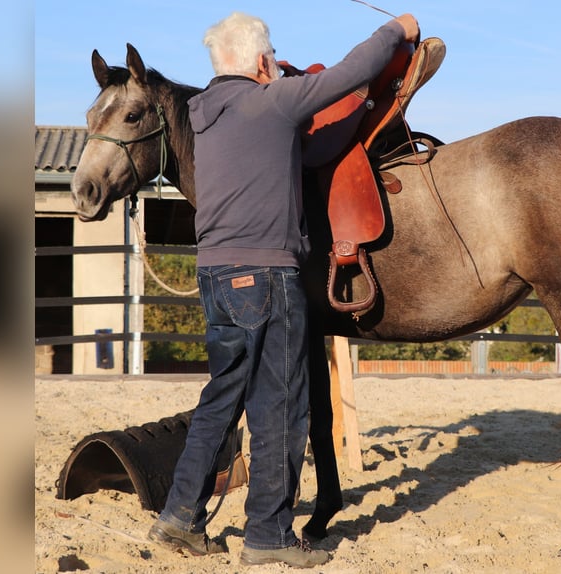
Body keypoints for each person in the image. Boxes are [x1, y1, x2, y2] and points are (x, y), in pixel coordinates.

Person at [147, 10, 420, 569]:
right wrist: (396, 30)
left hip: (215, 276)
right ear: (259, 61)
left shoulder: (199, 112)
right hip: (268, 276)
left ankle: (179, 516)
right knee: (282, 404)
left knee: (222, 396)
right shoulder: (275, 103)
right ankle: (268, 535)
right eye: (268, 56)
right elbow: (353, 71)